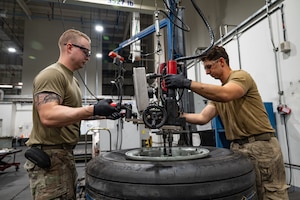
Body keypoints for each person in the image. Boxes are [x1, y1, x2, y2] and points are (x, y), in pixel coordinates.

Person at [164, 45, 289, 200]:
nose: (207, 72)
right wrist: (177, 115)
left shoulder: (240, 77)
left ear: (221, 62)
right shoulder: (218, 94)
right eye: (205, 68)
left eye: (209, 67)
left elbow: (227, 94)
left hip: (260, 146)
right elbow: (203, 118)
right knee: (248, 194)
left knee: (272, 194)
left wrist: (187, 83)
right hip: (238, 148)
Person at [24, 29, 120, 200]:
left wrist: (104, 113)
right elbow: (48, 115)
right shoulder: (52, 74)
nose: (88, 57)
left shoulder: (72, 80)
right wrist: (93, 109)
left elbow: (72, 114)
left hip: (63, 156)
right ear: (69, 47)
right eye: (86, 51)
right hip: (50, 158)